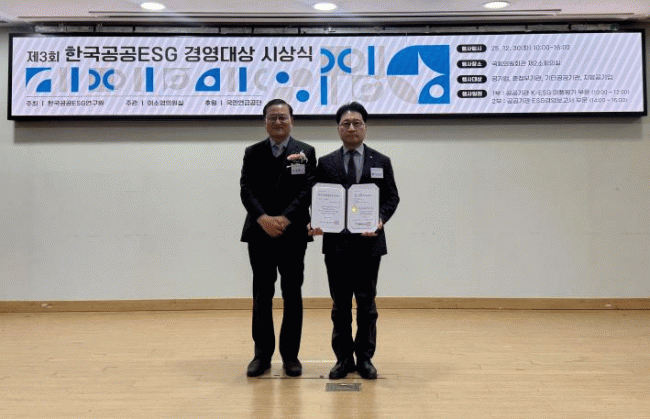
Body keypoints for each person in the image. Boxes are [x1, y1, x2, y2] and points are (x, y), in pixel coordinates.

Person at [310, 102, 400, 380]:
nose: (351, 128)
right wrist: (315, 220)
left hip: (369, 244)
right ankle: (343, 358)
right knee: (340, 306)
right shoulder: (325, 163)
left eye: (357, 123)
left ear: (365, 127)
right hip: (336, 246)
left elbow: (392, 197)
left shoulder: (381, 161)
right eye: (346, 123)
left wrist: (380, 219)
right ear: (338, 129)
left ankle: (365, 358)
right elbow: (317, 198)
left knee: (366, 305)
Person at [240, 98, 316, 377]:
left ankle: (290, 356)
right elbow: (246, 189)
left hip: (292, 233)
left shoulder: (306, 152)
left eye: (283, 117)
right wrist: (263, 218)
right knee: (262, 294)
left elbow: (308, 190)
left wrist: (285, 218)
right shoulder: (252, 152)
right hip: (260, 232)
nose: (278, 122)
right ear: (265, 122)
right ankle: (261, 355)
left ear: (292, 121)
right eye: (272, 117)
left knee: (292, 293)